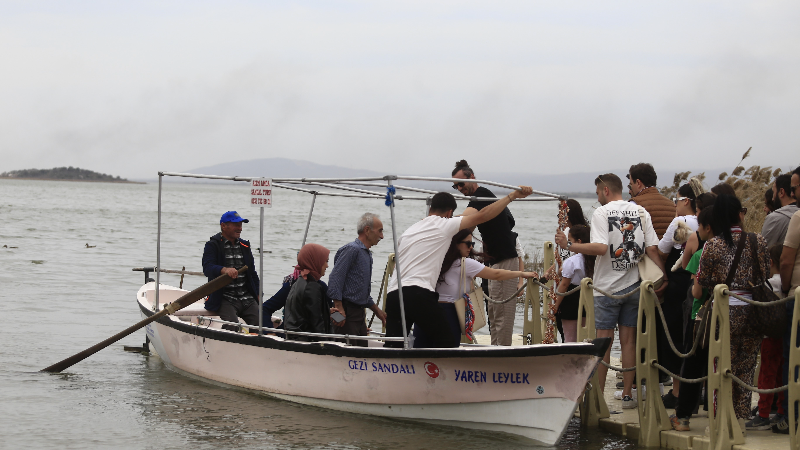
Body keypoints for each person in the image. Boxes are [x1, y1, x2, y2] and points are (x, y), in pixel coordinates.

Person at [555, 173, 664, 409]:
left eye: (596, 193)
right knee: (628, 341)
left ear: (605, 190)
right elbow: (653, 248)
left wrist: (569, 245)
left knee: (602, 343)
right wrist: (663, 277)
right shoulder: (640, 211)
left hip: (606, 288)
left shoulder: (601, 213)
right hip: (634, 285)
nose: (597, 198)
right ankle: (627, 394)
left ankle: (599, 397)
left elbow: (601, 248)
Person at [384, 187, 534, 349]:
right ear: (449, 213)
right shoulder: (444, 224)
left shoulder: (409, 231)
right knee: (447, 342)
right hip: (418, 292)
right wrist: (511, 196)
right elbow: (483, 215)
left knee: (394, 346)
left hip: (394, 294)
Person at [695, 195, 769, 427]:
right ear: (740, 214)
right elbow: (766, 274)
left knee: (720, 367)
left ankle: (720, 421)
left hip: (723, 314)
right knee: (745, 369)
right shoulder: (758, 240)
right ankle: (740, 421)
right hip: (753, 313)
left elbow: (704, 280)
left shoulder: (713, 245)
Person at [415, 230, 539, 347]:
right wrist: (521, 274)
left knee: (421, 353)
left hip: (425, 309)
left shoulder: (435, 260)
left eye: (472, 244)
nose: (471, 248)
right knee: (447, 354)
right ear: (456, 244)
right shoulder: (465, 263)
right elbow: (496, 274)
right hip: (449, 312)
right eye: (468, 244)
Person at [451, 160, 524, 346]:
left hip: (506, 258)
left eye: (461, 183)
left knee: (503, 316)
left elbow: (464, 219)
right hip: (494, 261)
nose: (459, 188)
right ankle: (495, 351)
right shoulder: (477, 199)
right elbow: (468, 227)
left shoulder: (481, 195)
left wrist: (437, 221)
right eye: (455, 185)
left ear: (472, 177)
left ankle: (503, 356)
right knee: (494, 313)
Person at [670, 205, 715, 431]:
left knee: (692, 364)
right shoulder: (741, 246)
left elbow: (697, 291)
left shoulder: (702, 253)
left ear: (707, 227)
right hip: (730, 318)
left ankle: (683, 416)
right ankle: (720, 414)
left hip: (701, 318)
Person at [657, 183, 699, 408]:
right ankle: (697, 389)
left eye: (676, 200)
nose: (674, 205)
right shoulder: (705, 222)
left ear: (686, 201)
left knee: (674, 335)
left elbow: (662, 250)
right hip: (698, 285)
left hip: (678, 283)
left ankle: (676, 390)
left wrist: (662, 277)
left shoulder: (679, 222)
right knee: (693, 336)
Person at [327, 213, 387, 346]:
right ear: (367, 230)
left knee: (360, 353)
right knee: (347, 354)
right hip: (347, 313)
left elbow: (360, 290)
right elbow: (335, 278)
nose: (382, 236)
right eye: (380, 231)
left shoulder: (366, 254)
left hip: (359, 315)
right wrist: (339, 307)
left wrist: (377, 311)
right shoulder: (352, 250)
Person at [746, 244, 786, 430]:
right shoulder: (787, 284)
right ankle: (780, 410)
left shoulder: (770, 283)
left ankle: (763, 413)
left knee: (766, 374)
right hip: (785, 334)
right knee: (781, 375)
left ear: (770, 262)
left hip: (770, 335)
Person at [202, 211, 261, 332]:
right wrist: (224, 270)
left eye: (241, 225)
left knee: (261, 324)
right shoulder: (213, 245)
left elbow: (252, 273)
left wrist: (258, 295)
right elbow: (207, 268)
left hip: (246, 297)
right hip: (224, 298)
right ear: (223, 226)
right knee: (232, 325)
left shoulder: (245, 246)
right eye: (236, 225)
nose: (240, 228)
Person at [775, 207, 800, 433]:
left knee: (793, 358)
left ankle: (791, 417)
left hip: (797, 296)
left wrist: (785, 289)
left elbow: (786, 260)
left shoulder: (799, 217)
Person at [553, 224, 594, 342]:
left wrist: (555, 306)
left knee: (570, 337)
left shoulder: (572, 261)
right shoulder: (594, 259)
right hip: (588, 298)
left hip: (571, 299)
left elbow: (564, 285)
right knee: (586, 336)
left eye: (569, 240)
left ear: (578, 242)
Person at [283, 243, 332, 341]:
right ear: (315, 262)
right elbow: (317, 322)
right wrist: (327, 345)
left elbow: (306, 312)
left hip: (294, 338)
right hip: (306, 342)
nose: (327, 266)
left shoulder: (297, 282)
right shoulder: (312, 287)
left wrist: (328, 312)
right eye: (325, 261)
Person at [626, 163, 675, 239]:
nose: (629, 191)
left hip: (647, 250)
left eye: (631, 185)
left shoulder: (634, 205)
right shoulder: (672, 205)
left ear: (638, 183)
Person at [762, 174, 799, 248]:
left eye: (774, 192)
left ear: (781, 192)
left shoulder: (775, 218)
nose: (772, 199)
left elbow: (762, 251)